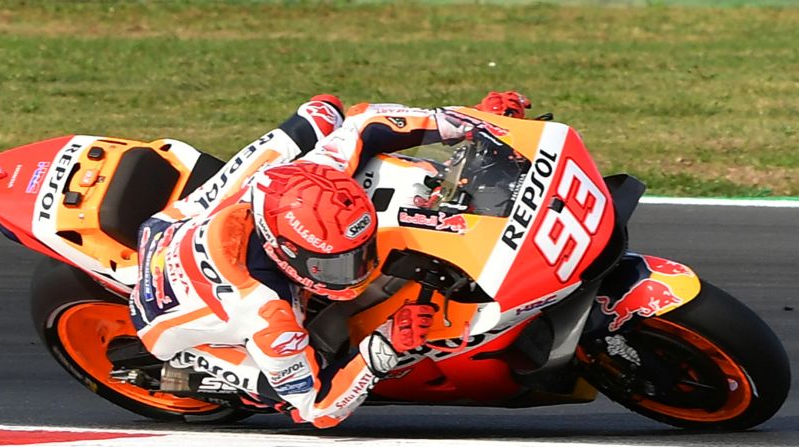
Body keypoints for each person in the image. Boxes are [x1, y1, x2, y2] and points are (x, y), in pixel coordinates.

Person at [129, 91, 531, 428]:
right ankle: (228, 384)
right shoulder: (266, 311)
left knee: (324, 112)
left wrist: (465, 123)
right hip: (172, 314)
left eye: (360, 252)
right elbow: (319, 410)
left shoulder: (311, 175)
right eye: (337, 264)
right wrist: (385, 345)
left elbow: (365, 122)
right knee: (301, 376)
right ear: (283, 253)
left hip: (184, 220)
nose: (359, 269)